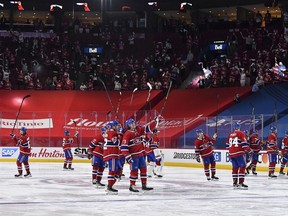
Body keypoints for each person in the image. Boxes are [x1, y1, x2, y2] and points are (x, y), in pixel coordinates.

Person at [121, 117, 159, 192]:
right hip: (134, 156)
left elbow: (147, 128)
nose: (133, 124)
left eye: (133, 123)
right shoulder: (127, 134)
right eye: (131, 124)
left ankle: (144, 185)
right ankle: (132, 185)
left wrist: (154, 121)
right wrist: (127, 156)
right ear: (128, 125)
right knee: (134, 171)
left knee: (143, 170)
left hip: (141, 155)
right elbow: (124, 147)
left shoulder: (138, 130)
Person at [226, 122, 252, 189]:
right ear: (239, 127)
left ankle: (234, 183)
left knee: (235, 168)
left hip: (231, 154)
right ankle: (241, 182)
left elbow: (227, 145)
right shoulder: (241, 133)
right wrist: (249, 150)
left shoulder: (230, 134)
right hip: (239, 153)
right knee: (242, 166)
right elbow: (244, 144)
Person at [103, 120, 122, 194]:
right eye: (116, 125)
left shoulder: (110, 132)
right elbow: (116, 142)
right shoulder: (112, 132)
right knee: (113, 170)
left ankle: (111, 184)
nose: (118, 127)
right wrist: (120, 135)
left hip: (113, 153)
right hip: (112, 154)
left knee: (119, 169)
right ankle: (110, 186)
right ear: (113, 126)